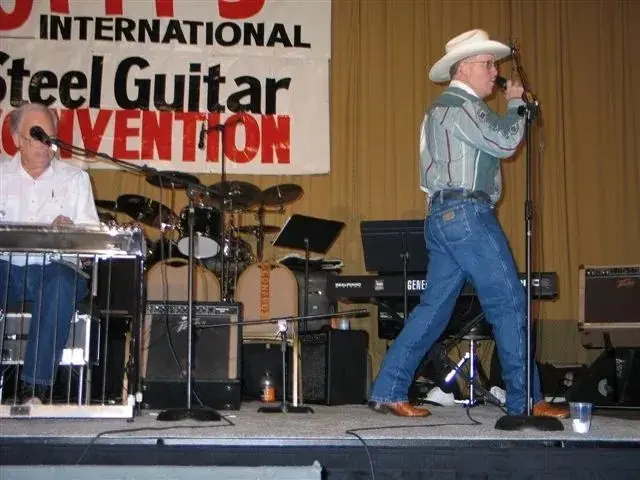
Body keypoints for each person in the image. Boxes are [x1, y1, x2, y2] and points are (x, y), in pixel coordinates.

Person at [368, 29, 569, 419]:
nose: (495, 71)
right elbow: (507, 142)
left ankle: (388, 389)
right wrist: (514, 105)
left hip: (443, 216)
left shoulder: (440, 110)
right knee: (509, 302)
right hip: (466, 215)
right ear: (464, 67)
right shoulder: (462, 106)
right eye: (488, 64)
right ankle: (525, 400)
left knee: (433, 311)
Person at [0, 102, 99, 404]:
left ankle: (34, 388)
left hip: (54, 267)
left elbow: (91, 240)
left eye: (50, 137)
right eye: (37, 135)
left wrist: (71, 233)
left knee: (61, 284)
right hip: (6, 267)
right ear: (17, 139)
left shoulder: (74, 178)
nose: (45, 144)